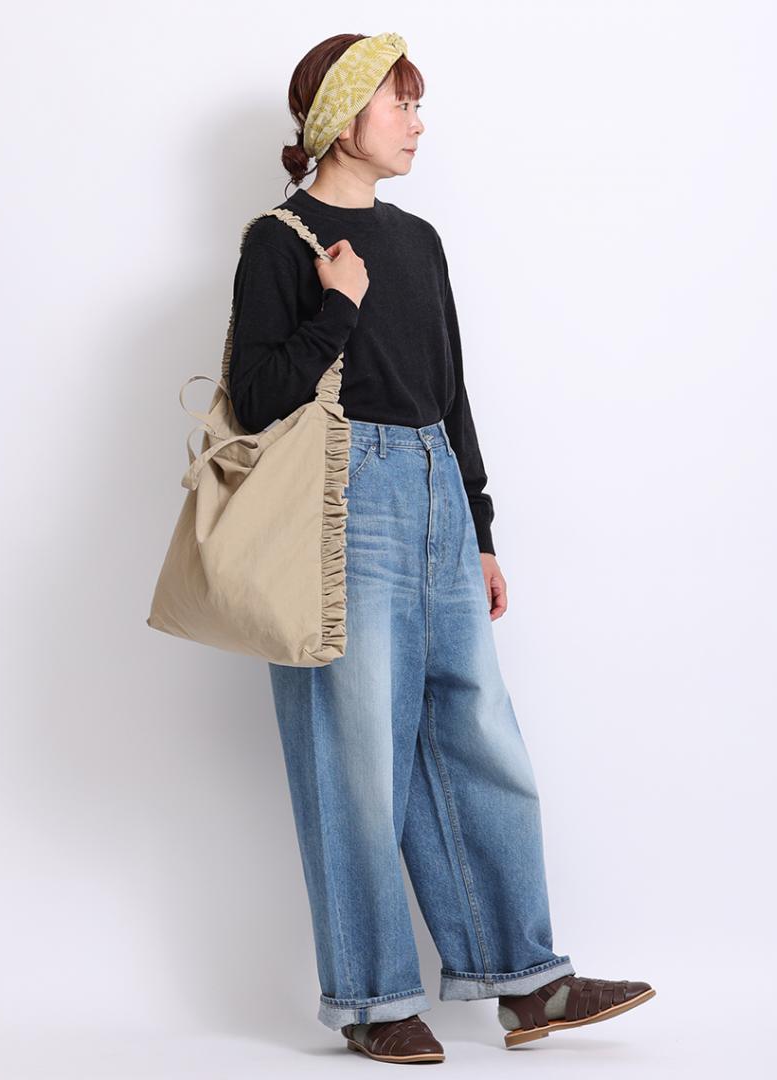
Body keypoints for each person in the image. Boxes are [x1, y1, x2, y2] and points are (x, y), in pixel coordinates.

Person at [228, 31, 655, 1065]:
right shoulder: (280, 241)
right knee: (355, 754)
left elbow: (449, 393)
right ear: (342, 118)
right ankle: (373, 1000)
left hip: (434, 496)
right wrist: (338, 306)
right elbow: (259, 396)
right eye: (402, 103)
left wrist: (479, 529)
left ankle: (529, 983)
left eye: (417, 105)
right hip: (339, 504)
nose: (419, 123)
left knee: (478, 740)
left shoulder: (418, 240)